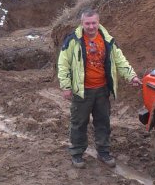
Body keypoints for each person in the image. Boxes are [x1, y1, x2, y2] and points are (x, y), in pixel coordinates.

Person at [57, 9, 141, 169]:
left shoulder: (107, 40)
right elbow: (63, 64)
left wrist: (132, 76)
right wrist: (66, 86)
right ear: (82, 23)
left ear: (98, 22)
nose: (90, 26)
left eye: (93, 23)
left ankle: (103, 152)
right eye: (87, 23)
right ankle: (76, 153)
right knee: (79, 123)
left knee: (103, 122)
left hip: (102, 90)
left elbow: (120, 60)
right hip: (81, 91)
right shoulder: (72, 41)